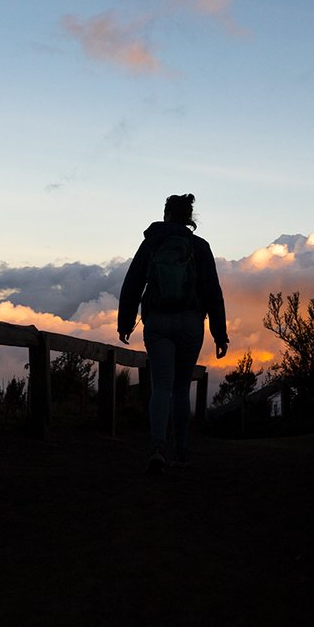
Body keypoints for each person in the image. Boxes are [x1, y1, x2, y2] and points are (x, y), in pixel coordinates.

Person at [117, 193, 228, 474]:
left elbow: (132, 284)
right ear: (190, 217)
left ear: (166, 215)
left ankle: (157, 448)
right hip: (190, 322)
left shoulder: (152, 243)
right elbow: (213, 293)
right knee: (180, 387)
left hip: (157, 322)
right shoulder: (200, 247)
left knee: (161, 386)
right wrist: (219, 333)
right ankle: (180, 453)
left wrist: (125, 322)